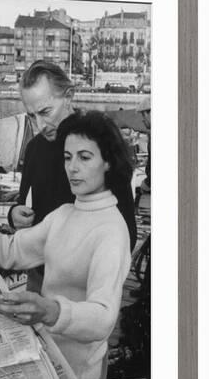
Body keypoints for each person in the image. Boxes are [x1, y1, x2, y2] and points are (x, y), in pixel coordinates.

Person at [0, 111, 132, 379]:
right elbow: (14, 250)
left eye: (84, 157)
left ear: (108, 163)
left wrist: (51, 311)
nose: (72, 167)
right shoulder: (64, 214)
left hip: (78, 374)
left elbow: (103, 317)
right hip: (45, 354)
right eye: (67, 157)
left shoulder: (111, 230)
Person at [9, 60, 137, 250]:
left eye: (45, 112)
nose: (40, 125)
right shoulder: (34, 148)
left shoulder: (102, 141)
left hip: (84, 275)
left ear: (68, 96)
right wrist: (13, 215)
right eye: (32, 116)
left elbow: (127, 232)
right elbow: (24, 202)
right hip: (37, 271)